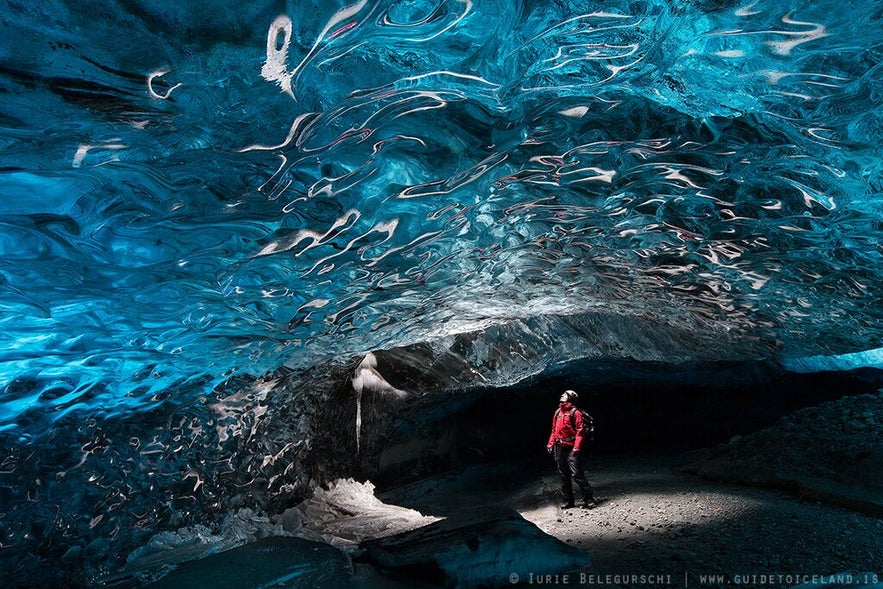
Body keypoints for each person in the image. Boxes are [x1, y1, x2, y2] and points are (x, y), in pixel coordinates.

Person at [547, 390, 596, 509]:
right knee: (564, 475)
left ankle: (589, 499)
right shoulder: (558, 412)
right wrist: (550, 444)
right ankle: (568, 500)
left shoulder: (576, 413)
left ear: (570, 398)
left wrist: (576, 449)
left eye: (565, 394)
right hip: (559, 447)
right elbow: (554, 430)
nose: (562, 395)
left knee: (577, 474)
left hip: (571, 447)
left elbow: (580, 432)